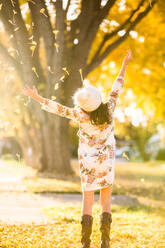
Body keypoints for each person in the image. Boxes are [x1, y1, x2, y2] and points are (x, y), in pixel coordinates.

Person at [21, 49, 132, 248]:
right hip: (105, 161)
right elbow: (118, 85)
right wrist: (125, 63)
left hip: (88, 163)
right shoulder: (109, 109)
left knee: (87, 201)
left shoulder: (80, 115)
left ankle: (85, 243)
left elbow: (59, 109)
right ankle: (105, 241)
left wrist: (37, 97)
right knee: (105, 202)